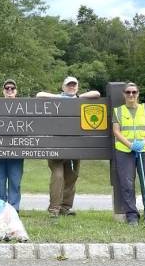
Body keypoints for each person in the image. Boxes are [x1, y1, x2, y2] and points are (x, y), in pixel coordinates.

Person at [36, 76, 100, 218]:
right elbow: (39, 95)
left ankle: (65, 207)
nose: (71, 87)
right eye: (68, 85)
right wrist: (61, 97)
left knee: (72, 177)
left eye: (74, 85)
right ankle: (54, 209)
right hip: (56, 146)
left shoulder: (80, 99)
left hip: (75, 146)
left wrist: (76, 97)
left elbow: (97, 94)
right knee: (58, 177)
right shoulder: (57, 100)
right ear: (63, 87)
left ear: (77, 87)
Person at [112, 82, 145, 227]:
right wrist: (130, 145)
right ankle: (132, 215)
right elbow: (116, 131)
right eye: (128, 92)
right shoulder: (118, 111)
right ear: (124, 94)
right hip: (125, 151)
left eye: (134, 92)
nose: (131, 95)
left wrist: (143, 143)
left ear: (138, 93)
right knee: (127, 184)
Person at [0, 79, 24, 211]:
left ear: (16, 91)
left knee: (15, 182)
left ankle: (13, 209)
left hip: (16, 152)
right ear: (3, 91)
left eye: (12, 88)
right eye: (7, 88)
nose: (9, 90)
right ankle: (0, 209)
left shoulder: (24, 107)